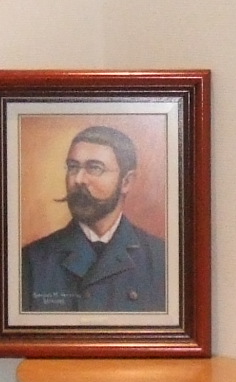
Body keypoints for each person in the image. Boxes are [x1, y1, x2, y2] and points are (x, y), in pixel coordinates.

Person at [21, 124, 169, 313]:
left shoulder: (161, 258)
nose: (78, 179)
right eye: (73, 167)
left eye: (95, 168)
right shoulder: (32, 261)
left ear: (126, 182)